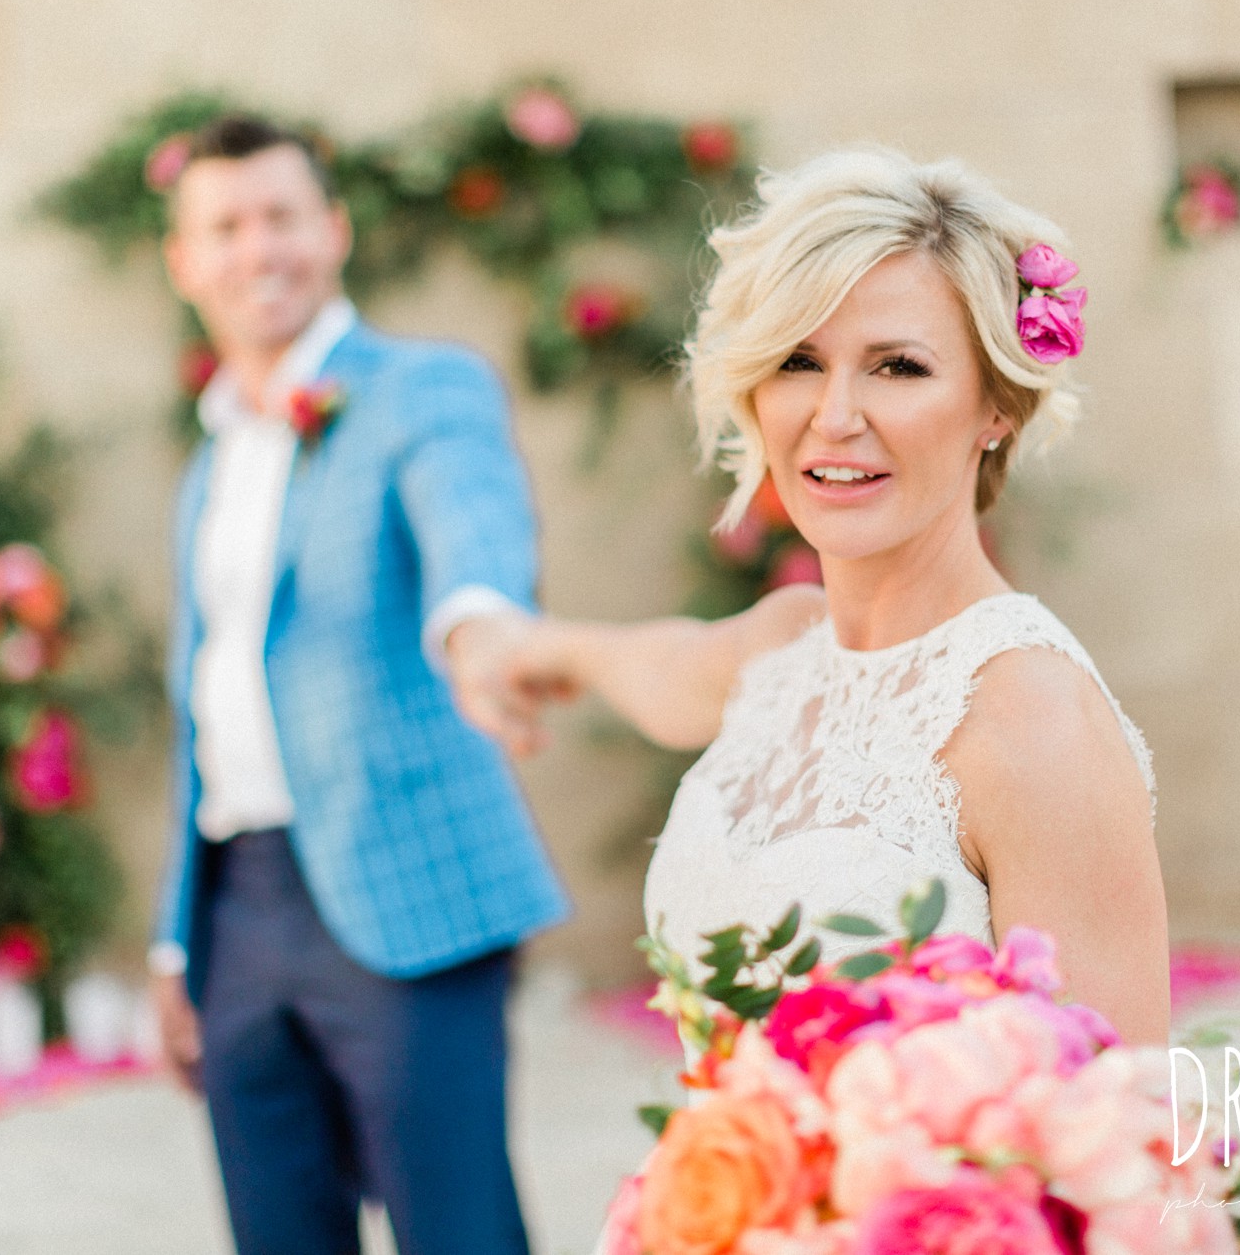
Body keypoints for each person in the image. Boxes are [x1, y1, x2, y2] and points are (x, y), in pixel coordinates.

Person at [451, 149, 1169, 1043]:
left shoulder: (1032, 716)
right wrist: (515, 644)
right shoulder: (781, 649)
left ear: (997, 407)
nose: (834, 416)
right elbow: (653, 664)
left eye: (897, 367)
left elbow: (1125, 1119)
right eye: (798, 361)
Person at [146, 112, 567, 1255]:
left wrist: (479, 624)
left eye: (281, 216)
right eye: (224, 226)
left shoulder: (423, 390)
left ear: (331, 232)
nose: (256, 249)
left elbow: (467, 516)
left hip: (404, 891)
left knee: (459, 1235)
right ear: (185, 263)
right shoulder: (207, 462)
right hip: (238, 908)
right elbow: (206, 703)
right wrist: (175, 942)